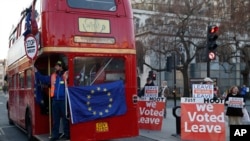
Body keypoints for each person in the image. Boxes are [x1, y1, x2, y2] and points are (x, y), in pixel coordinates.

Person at [35, 60, 70, 141]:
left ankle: (67, 134)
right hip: (55, 101)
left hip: (64, 100)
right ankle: (55, 136)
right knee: (56, 119)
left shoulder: (66, 75)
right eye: (56, 66)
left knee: (65, 119)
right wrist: (37, 72)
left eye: (57, 66)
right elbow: (43, 79)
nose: (55, 67)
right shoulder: (53, 76)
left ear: (61, 67)